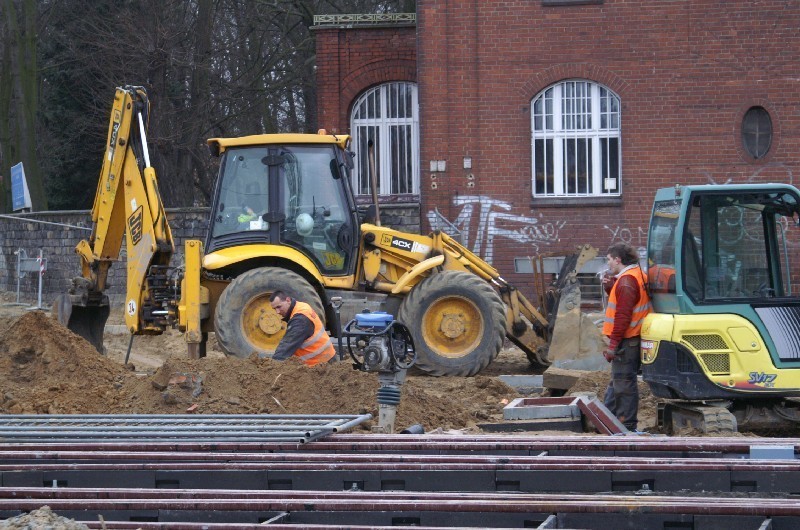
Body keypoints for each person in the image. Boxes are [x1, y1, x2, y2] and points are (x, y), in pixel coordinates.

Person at [601, 242, 652, 431]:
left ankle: (626, 425)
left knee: (623, 384)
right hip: (633, 338)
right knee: (618, 382)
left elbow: (622, 316)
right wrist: (610, 289)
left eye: (609, 260)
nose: (608, 264)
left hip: (627, 340)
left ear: (618, 259)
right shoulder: (635, 276)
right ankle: (607, 420)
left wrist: (613, 345)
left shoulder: (626, 282)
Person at [269, 291, 336, 366]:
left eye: (279, 307)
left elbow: (286, 346)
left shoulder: (300, 319)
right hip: (326, 358)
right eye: (274, 309)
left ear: (288, 300)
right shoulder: (301, 306)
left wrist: (273, 366)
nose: (277, 312)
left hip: (320, 365)